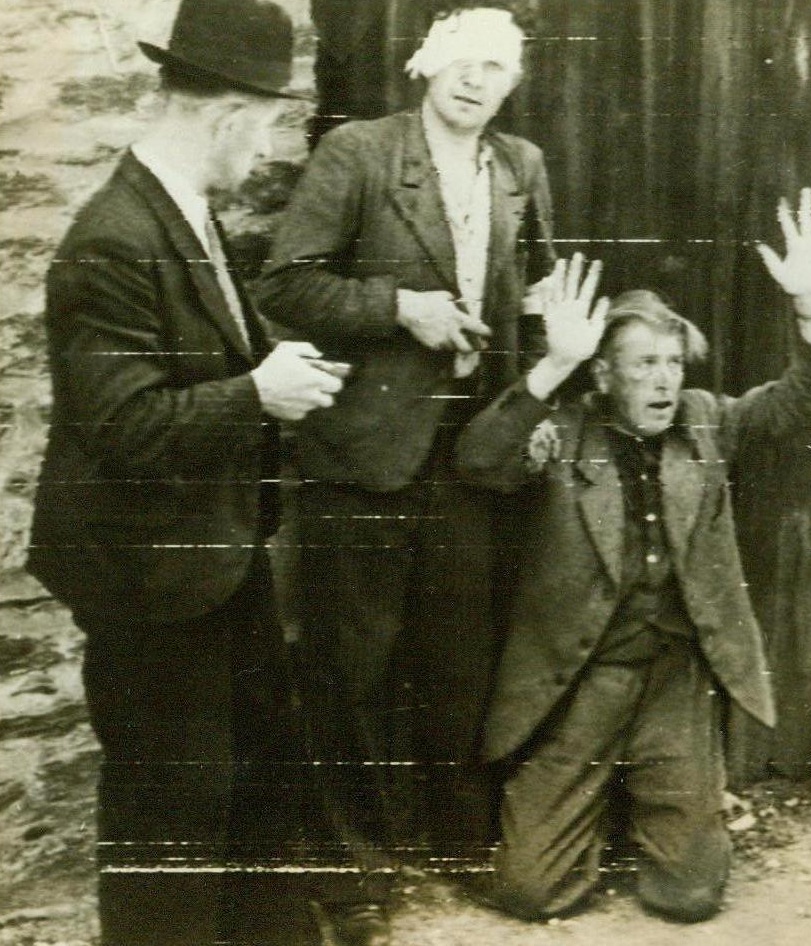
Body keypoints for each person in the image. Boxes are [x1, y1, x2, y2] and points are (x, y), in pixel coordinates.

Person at [23, 2, 347, 944]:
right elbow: (126, 425)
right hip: (149, 584)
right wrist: (260, 393)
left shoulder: (182, 210)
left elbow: (195, 367)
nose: (262, 152)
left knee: (255, 790)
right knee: (169, 824)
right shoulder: (112, 238)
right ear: (228, 116)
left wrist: (277, 372)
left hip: (217, 562)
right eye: (265, 128)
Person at [453, 192, 811, 922]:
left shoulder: (705, 421)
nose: (665, 380)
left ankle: (660, 811)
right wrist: (550, 369)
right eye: (643, 365)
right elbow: (477, 460)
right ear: (602, 375)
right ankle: (587, 808)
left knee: (691, 894)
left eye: (673, 362)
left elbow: (798, 403)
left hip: (672, 681)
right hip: (585, 679)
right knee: (532, 892)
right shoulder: (561, 430)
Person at [258, 6, 556, 941]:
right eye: (463, 62)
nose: (477, 81)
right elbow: (284, 286)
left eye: (497, 68)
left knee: (460, 658)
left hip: (472, 460)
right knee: (352, 669)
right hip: (364, 458)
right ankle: (355, 875)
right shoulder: (359, 153)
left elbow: (538, 290)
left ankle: (457, 844)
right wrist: (401, 308)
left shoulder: (521, 167)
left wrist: (538, 384)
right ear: (428, 66)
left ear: (512, 82)